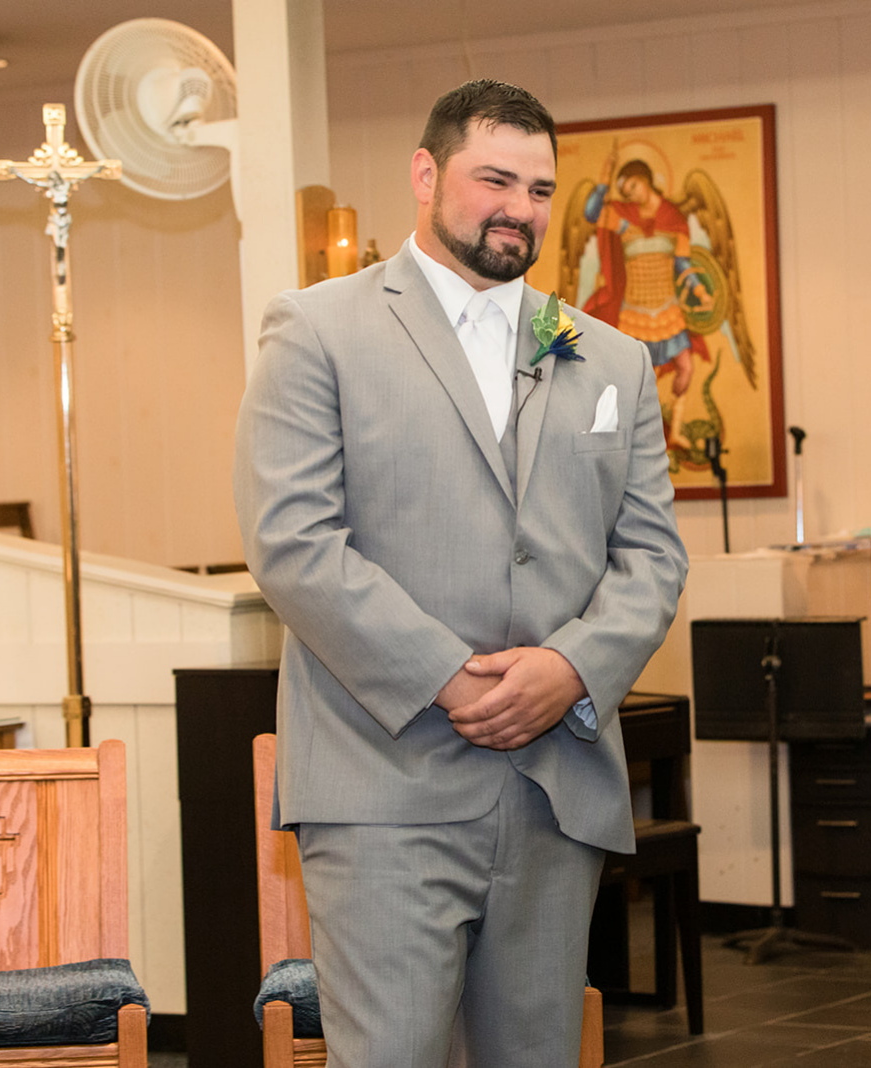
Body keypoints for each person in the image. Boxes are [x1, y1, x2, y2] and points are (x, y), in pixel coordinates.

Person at [233, 79, 687, 1067]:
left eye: (539, 188)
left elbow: (652, 556)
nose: (519, 208)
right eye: (495, 179)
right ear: (426, 174)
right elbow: (294, 544)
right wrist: (450, 676)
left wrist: (569, 670)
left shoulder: (607, 360)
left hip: (551, 792)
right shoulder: (317, 331)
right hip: (384, 785)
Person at [583, 152, 713, 445]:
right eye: (624, 193)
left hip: (668, 309)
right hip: (636, 311)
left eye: (632, 188)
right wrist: (603, 181)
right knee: (642, 380)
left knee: (686, 367)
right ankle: (644, 440)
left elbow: (683, 263)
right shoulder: (623, 218)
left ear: (644, 180)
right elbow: (592, 212)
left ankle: (676, 432)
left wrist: (700, 291)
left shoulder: (674, 218)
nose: (629, 196)